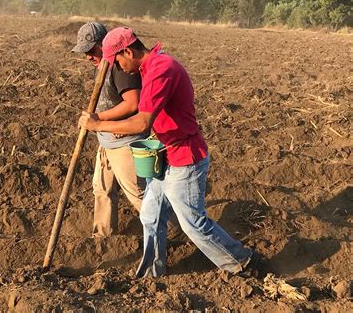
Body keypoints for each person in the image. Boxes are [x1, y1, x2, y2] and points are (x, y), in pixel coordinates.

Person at [78, 27, 254, 277]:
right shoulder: (149, 69)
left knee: (193, 223)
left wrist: (98, 124)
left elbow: (142, 122)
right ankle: (152, 272)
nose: (117, 67)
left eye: (117, 60)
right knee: (150, 216)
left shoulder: (162, 69)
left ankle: (240, 261)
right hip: (166, 154)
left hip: (185, 157)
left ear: (127, 51)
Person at [71, 22, 148, 238]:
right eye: (85, 52)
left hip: (125, 143)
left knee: (138, 195)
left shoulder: (120, 67)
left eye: (91, 50)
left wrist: (97, 119)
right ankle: (102, 238)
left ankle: (175, 233)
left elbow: (133, 103)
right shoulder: (103, 67)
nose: (88, 56)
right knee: (102, 190)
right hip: (106, 141)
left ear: (103, 45)